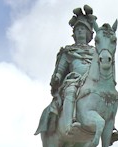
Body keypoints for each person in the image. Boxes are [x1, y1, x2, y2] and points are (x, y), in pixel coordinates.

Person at [35, 5, 97, 139]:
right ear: (74, 34)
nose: (80, 31)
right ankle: (69, 125)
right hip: (74, 80)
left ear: (88, 33)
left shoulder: (96, 52)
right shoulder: (68, 51)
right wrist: (57, 76)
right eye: (78, 29)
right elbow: (61, 69)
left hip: (93, 81)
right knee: (70, 90)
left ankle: (110, 127)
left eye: (83, 29)